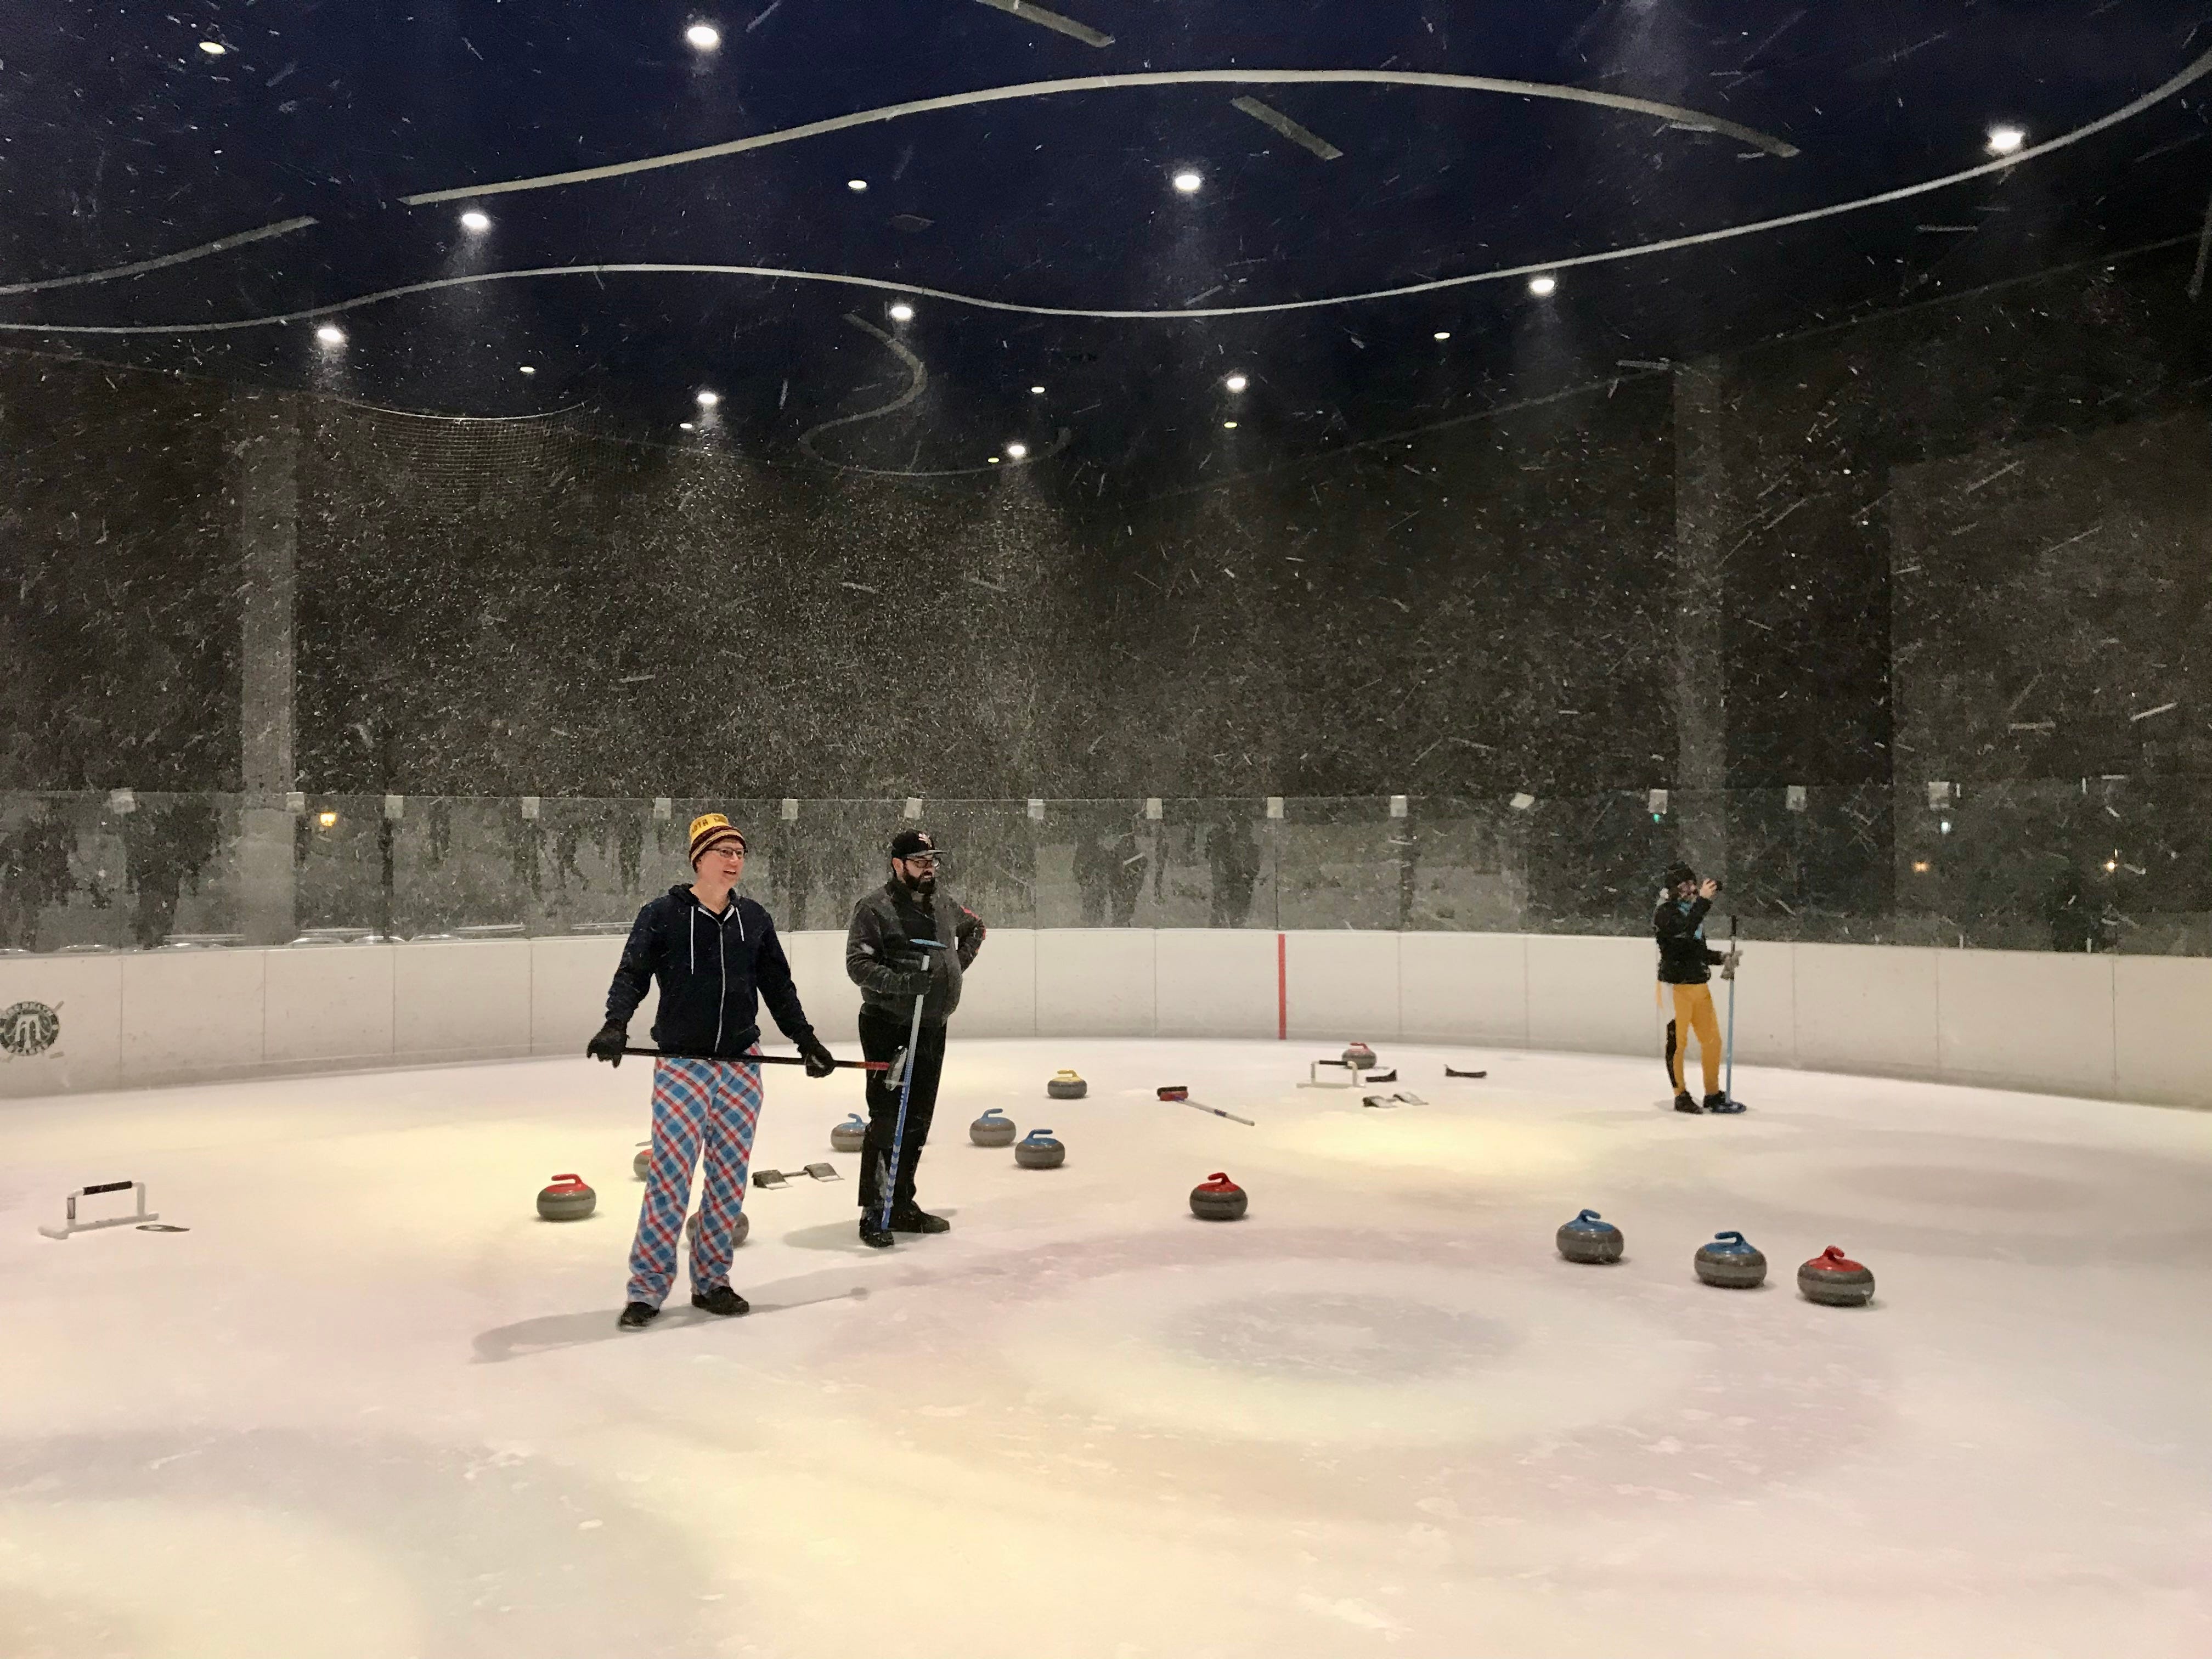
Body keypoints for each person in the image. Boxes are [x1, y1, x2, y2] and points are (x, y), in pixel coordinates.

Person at [590, 813, 837, 1329]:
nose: (734, 861)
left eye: (739, 853)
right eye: (723, 851)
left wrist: (806, 1040)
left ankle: (712, 1282)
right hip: (683, 1065)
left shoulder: (754, 919)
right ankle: (647, 1289)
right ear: (698, 858)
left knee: (727, 1179)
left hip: (741, 1067)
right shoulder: (663, 915)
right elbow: (632, 973)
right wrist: (616, 1023)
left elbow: (778, 987)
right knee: (670, 1178)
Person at [844, 828, 986, 1248]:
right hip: (888, 1024)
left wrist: (953, 970)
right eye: (920, 862)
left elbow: (976, 927)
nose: (930, 869)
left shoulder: (943, 905)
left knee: (919, 1118)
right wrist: (907, 983)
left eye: (933, 861)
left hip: (932, 1024)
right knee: (889, 1118)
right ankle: (876, 1210)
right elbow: (857, 965)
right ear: (897, 864)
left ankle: (903, 1203)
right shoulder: (874, 908)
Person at [1654, 862, 1741, 1114]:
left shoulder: (1691, 912)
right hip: (1675, 987)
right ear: (1672, 890)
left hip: (1698, 986)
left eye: (1693, 884)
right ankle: (1680, 1094)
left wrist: (1720, 958)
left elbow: (1695, 950)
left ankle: (1712, 1093)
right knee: (1677, 1044)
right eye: (1685, 886)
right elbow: (1682, 937)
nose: (1691, 890)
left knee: (1712, 1041)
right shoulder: (1666, 914)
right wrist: (1703, 902)